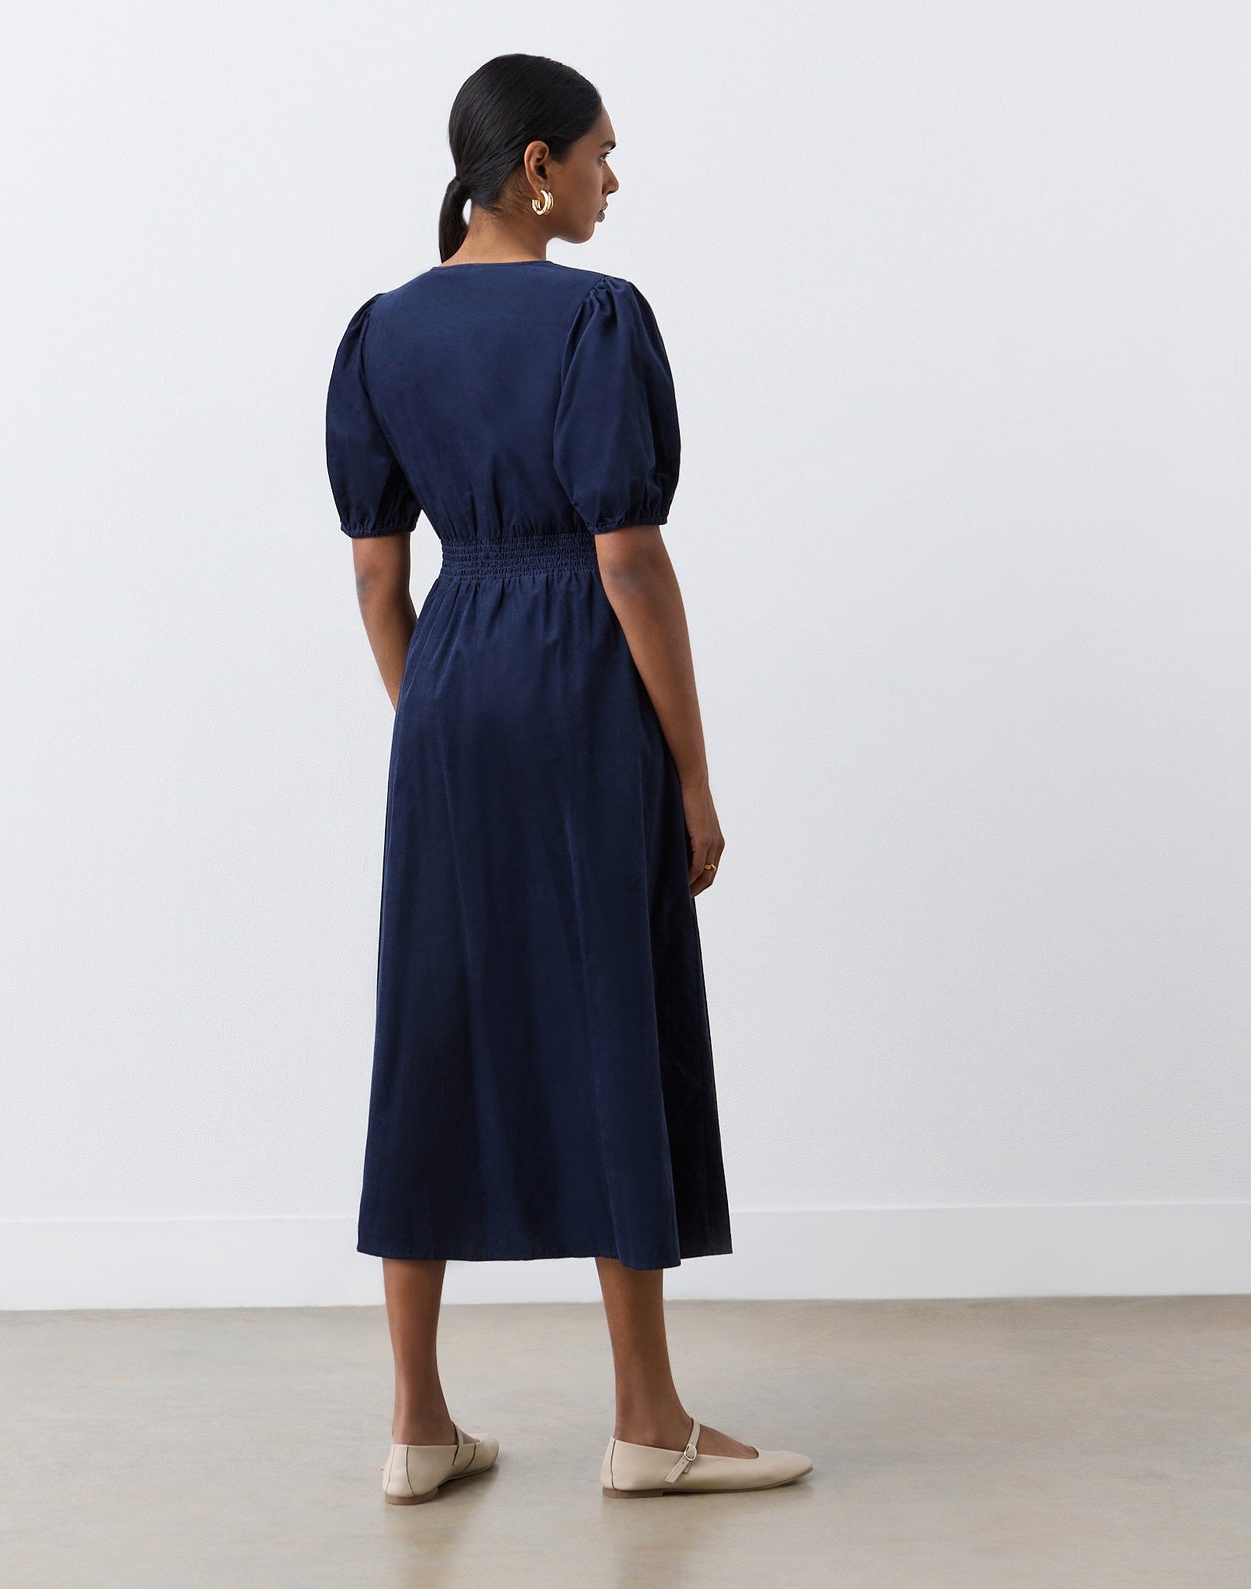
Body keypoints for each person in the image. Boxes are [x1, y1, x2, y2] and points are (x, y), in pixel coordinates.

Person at [325, 53, 813, 1503]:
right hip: (582, 687)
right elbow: (627, 555)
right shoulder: (599, 314)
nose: (613, 176)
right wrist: (692, 773)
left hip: (452, 691)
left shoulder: (377, 331)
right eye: (602, 152)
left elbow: (371, 572)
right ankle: (646, 1423)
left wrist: (437, 725)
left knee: (429, 1029)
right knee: (613, 1009)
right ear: (534, 165)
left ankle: (416, 1421)